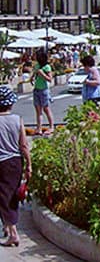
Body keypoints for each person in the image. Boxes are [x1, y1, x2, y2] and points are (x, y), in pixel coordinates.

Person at [0, 85, 32, 248]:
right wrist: (29, 165)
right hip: (16, 162)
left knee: (4, 197)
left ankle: (12, 232)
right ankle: (8, 226)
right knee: (12, 194)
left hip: (1, 163)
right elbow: (24, 145)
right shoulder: (17, 119)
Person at [32, 49, 54, 136]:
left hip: (44, 90)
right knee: (38, 110)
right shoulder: (37, 65)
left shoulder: (47, 67)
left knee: (46, 109)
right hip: (36, 89)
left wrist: (42, 74)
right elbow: (34, 73)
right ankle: (39, 128)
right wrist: (32, 78)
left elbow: (50, 79)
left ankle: (51, 126)